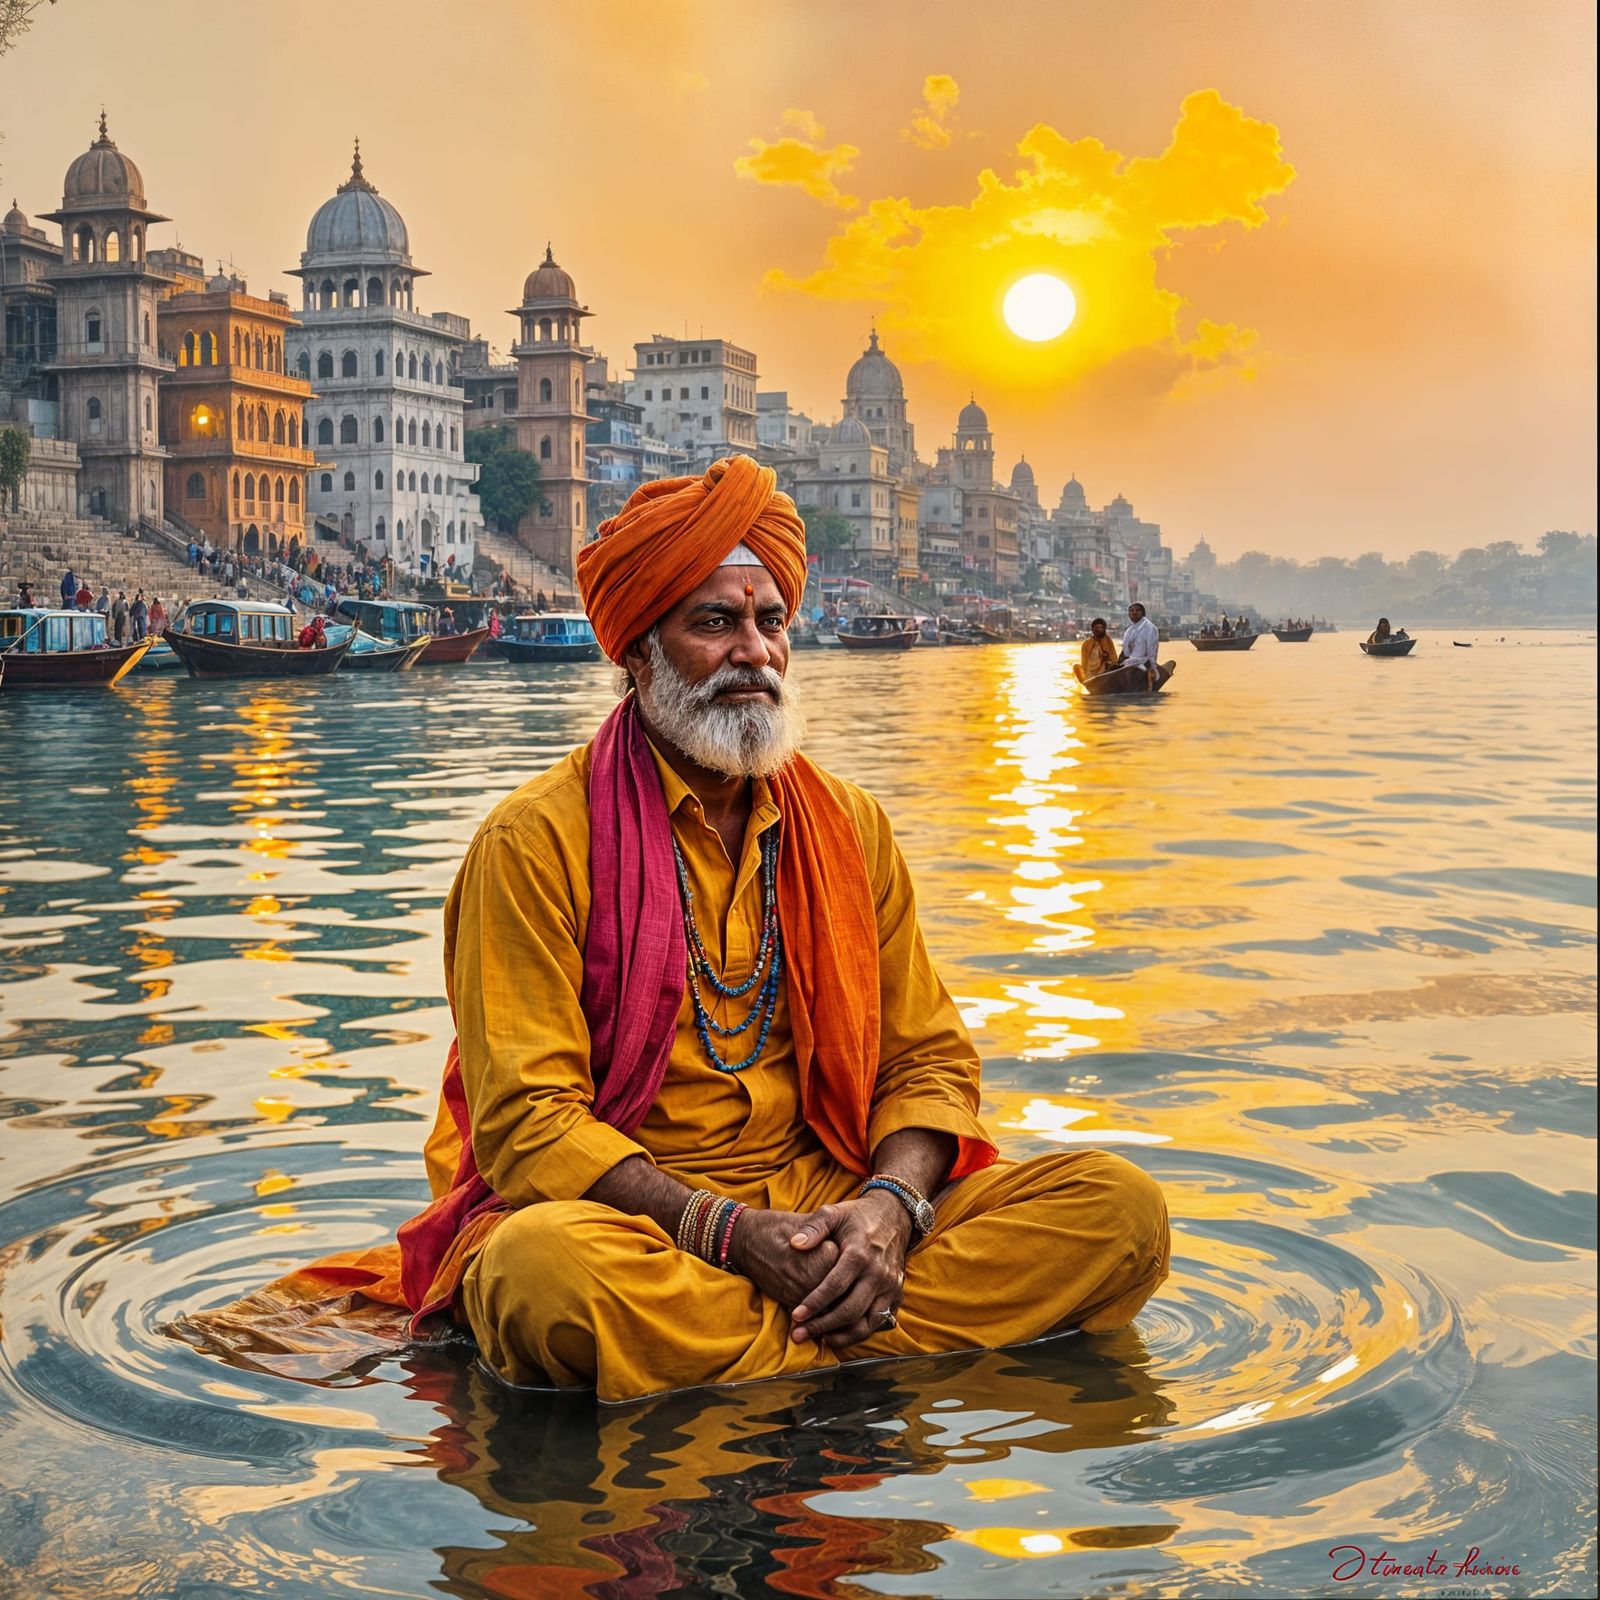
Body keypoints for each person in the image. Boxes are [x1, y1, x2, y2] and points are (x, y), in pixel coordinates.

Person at [181, 455, 1169, 1404]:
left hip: (830, 1199)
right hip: (642, 1228)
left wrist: (884, 1214)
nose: (754, 651)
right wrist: (736, 1237)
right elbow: (530, 1128)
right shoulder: (533, 841)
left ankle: (762, 1342)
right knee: (540, 1274)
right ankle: (853, 1339)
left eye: (770, 620)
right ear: (638, 649)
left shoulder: (849, 826)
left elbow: (928, 1064)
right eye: (714, 623)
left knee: (1120, 1211)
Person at [1121, 601, 1161, 677]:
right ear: (1128, 614)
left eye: (1137, 610)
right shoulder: (1129, 631)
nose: (1134, 612)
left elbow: (1152, 650)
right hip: (1128, 663)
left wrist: (1152, 667)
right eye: (1131, 610)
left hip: (1144, 664)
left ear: (1142, 613)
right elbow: (1126, 652)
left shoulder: (1150, 628)